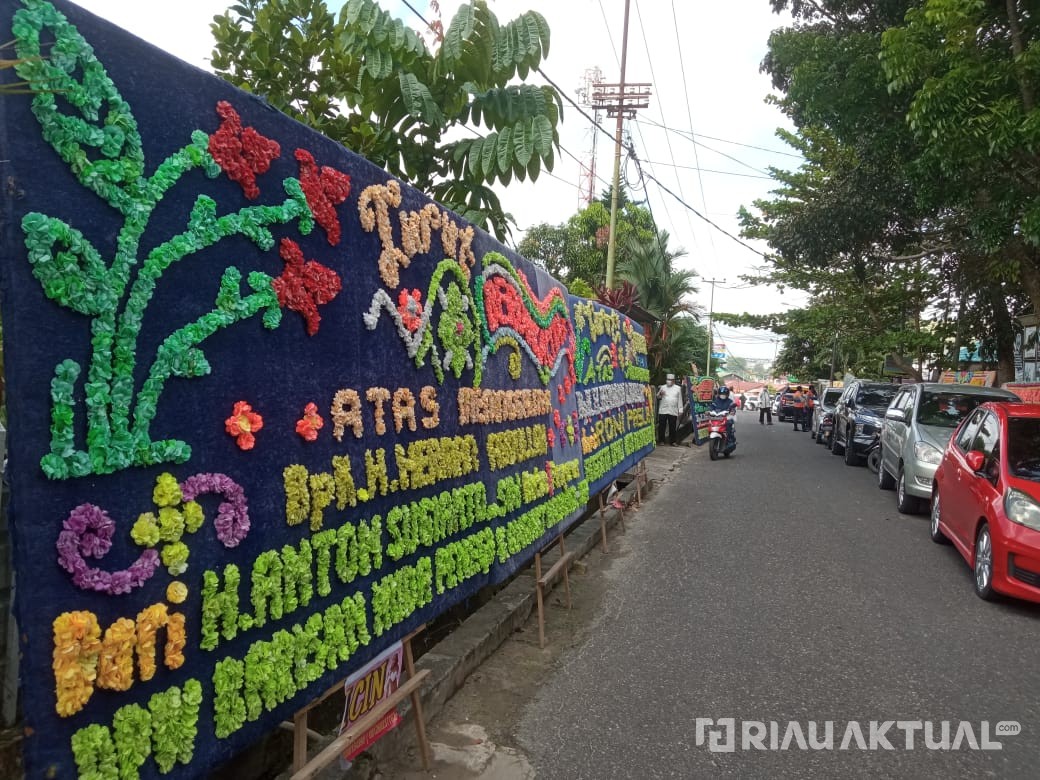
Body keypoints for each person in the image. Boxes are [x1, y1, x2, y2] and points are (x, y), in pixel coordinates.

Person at [656, 373, 683, 446]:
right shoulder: (663, 387)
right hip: (663, 409)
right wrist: (660, 394)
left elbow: (680, 399)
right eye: (668, 380)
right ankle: (661, 440)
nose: (669, 381)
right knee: (662, 426)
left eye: (670, 380)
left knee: (672, 426)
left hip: (673, 409)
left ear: (673, 381)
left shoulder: (678, 388)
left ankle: (673, 441)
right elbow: (658, 397)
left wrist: (680, 409)